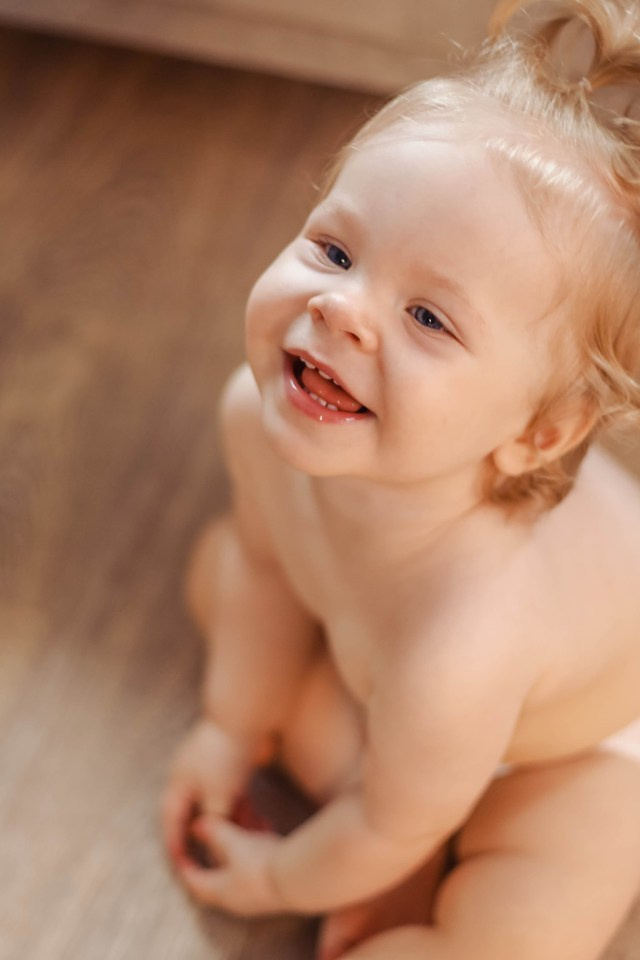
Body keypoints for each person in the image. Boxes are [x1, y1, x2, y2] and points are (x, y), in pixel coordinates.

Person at [162, 1, 640, 957]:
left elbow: (390, 813)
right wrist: (227, 726)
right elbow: (264, 570)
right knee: (223, 572)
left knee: (533, 914)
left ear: (538, 430)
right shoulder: (253, 420)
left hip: (585, 748)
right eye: (335, 251)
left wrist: (275, 881)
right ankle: (402, 823)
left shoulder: (472, 638)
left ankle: (426, 877)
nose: (343, 311)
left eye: (429, 319)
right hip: (399, 695)